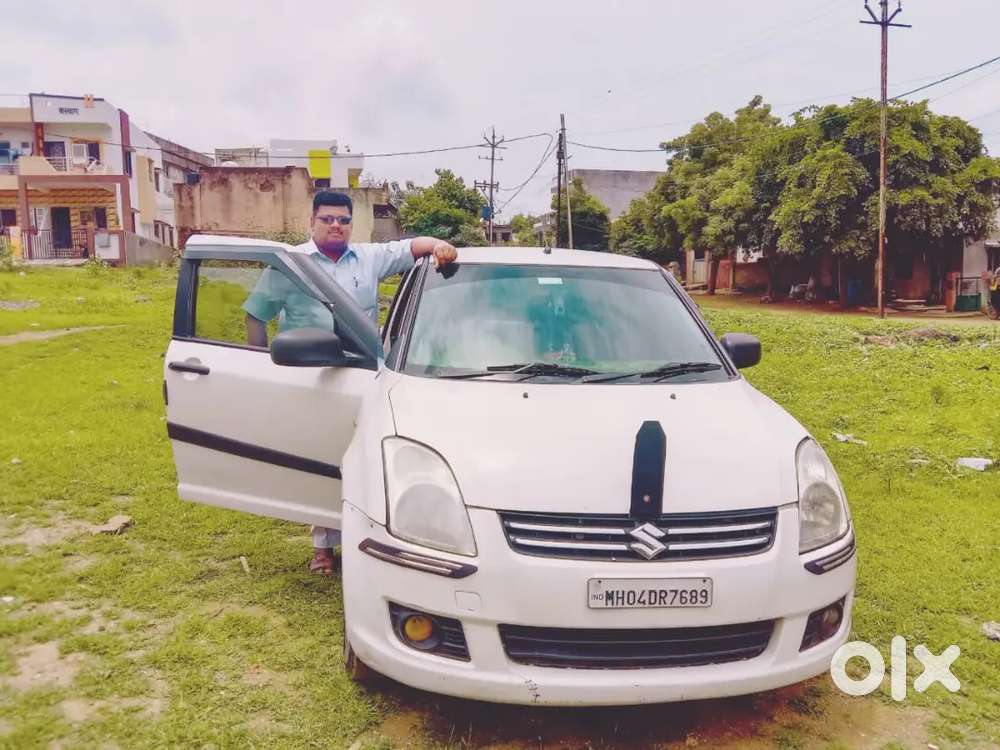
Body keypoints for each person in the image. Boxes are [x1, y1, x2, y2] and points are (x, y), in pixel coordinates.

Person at [242, 190, 458, 574]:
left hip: (365, 376)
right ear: (312, 222)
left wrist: (441, 245)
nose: (336, 225)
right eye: (327, 219)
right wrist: (260, 367)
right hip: (313, 377)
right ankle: (322, 546)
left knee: (368, 457)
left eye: (342, 219)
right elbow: (256, 315)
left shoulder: (370, 258)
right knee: (322, 456)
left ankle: (372, 538)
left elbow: (412, 247)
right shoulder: (291, 265)